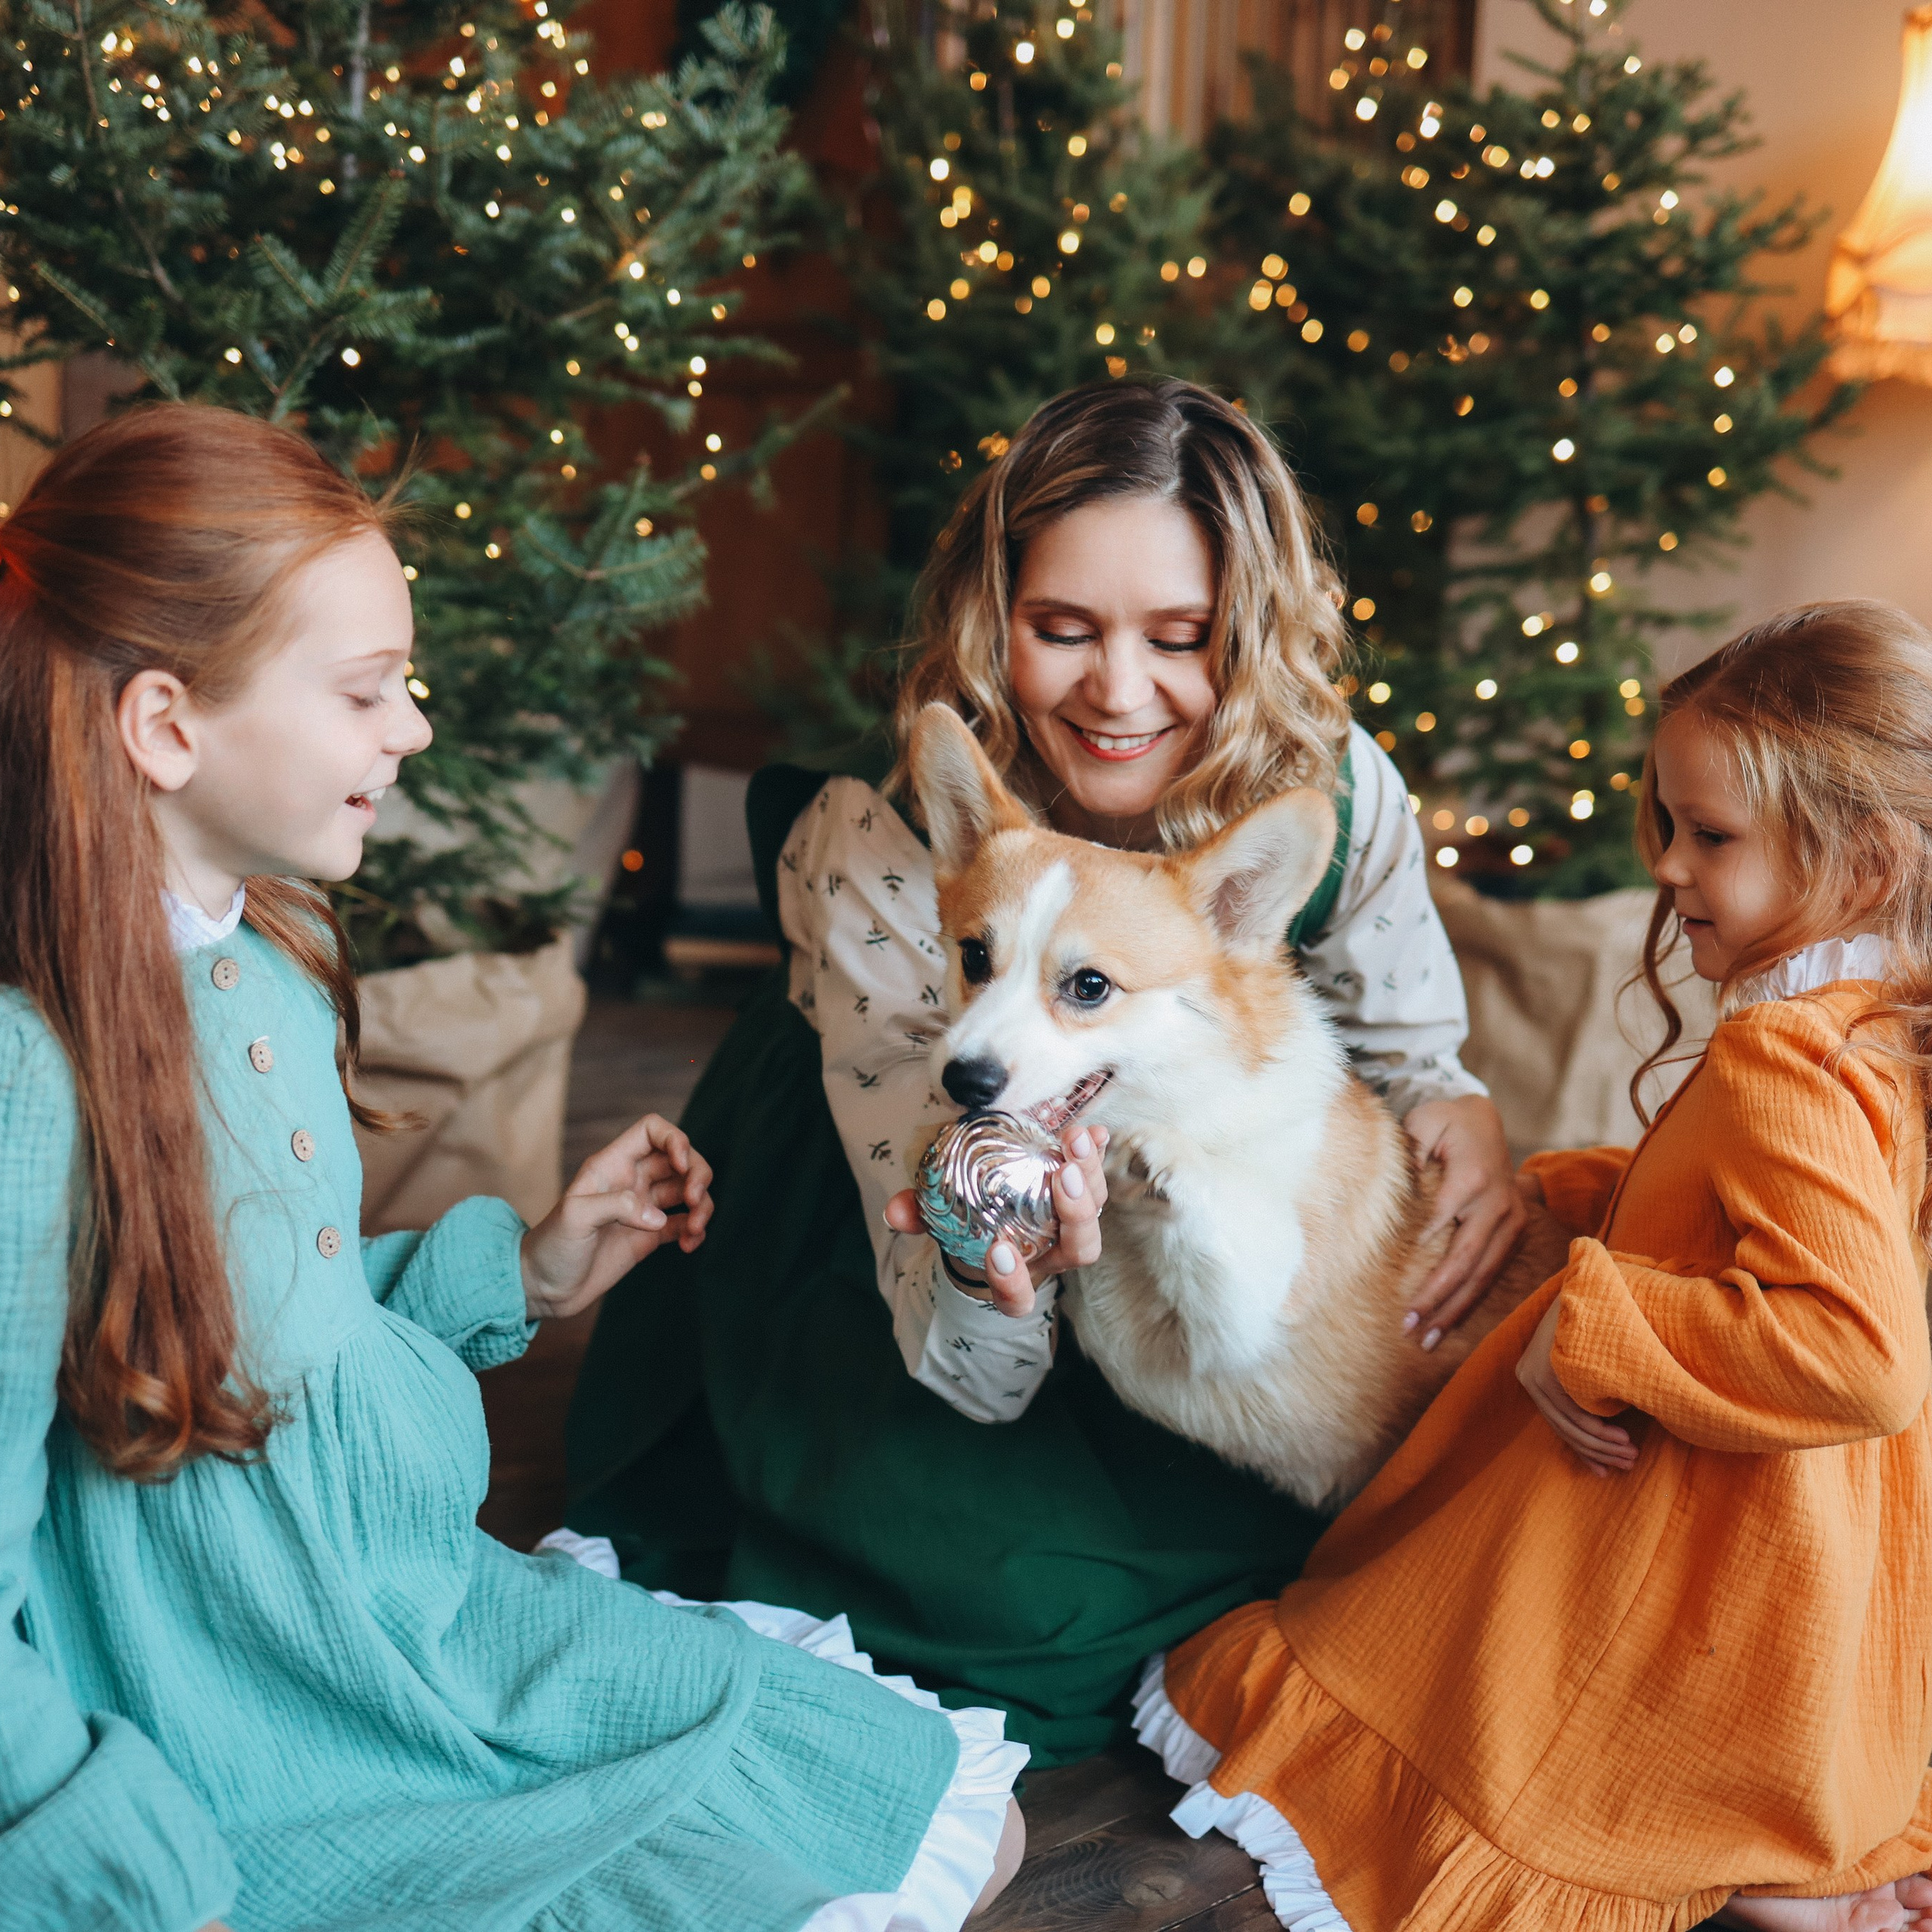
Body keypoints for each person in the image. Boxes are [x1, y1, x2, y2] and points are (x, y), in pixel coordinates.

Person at [0, 405, 1025, 1932]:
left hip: (415, 1600)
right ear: (166, 725)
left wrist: (528, 1267)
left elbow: (277, 1316)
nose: (409, 728)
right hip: (252, 1707)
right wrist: (106, 1844)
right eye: (364, 692)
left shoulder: (270, 955)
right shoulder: (28, 1075)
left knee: (945, 1806)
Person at [565, 376, 1523, 1765]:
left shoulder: (1327, 786)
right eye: (1061, 628)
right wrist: (993, 1270)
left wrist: (1457, 1104)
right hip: (876, 1196)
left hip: (1168, 1200)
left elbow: (1403, 1031)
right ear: (989, 616)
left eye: (1180, 638)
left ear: (1245, 634)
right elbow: (963, 1309)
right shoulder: (886, 842)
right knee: (1012, 1628)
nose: (1118, 691)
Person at [1134, 601, 1932, 1932]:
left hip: (1701, 1502)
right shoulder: (1878, 1024)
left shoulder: (1786, 1050)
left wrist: (1594, 1322)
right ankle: (1778, 1857)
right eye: (1667, 825)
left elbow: (1858, 1352)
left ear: (1862, 860)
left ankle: (1743, 1867)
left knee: (1434, 1681)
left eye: (1712, 837)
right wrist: (1587, 1194)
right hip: (1820, 1530)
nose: (1669, 869)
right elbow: (1767, 1224)